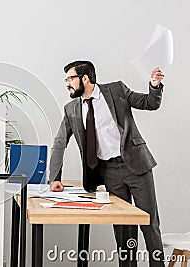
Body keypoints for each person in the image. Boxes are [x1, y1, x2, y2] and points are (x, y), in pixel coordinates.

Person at [49, 60, 165, 266]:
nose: (67, 83)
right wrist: (54, 178)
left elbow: (149, 103)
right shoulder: (71, 109)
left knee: (149, 223)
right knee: (123, 229)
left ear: (85, 78)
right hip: (109, 172)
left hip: (136, 166)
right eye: (66, 79)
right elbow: (60, 142)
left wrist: (154, 86)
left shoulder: (116, 90)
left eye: (70, 79)